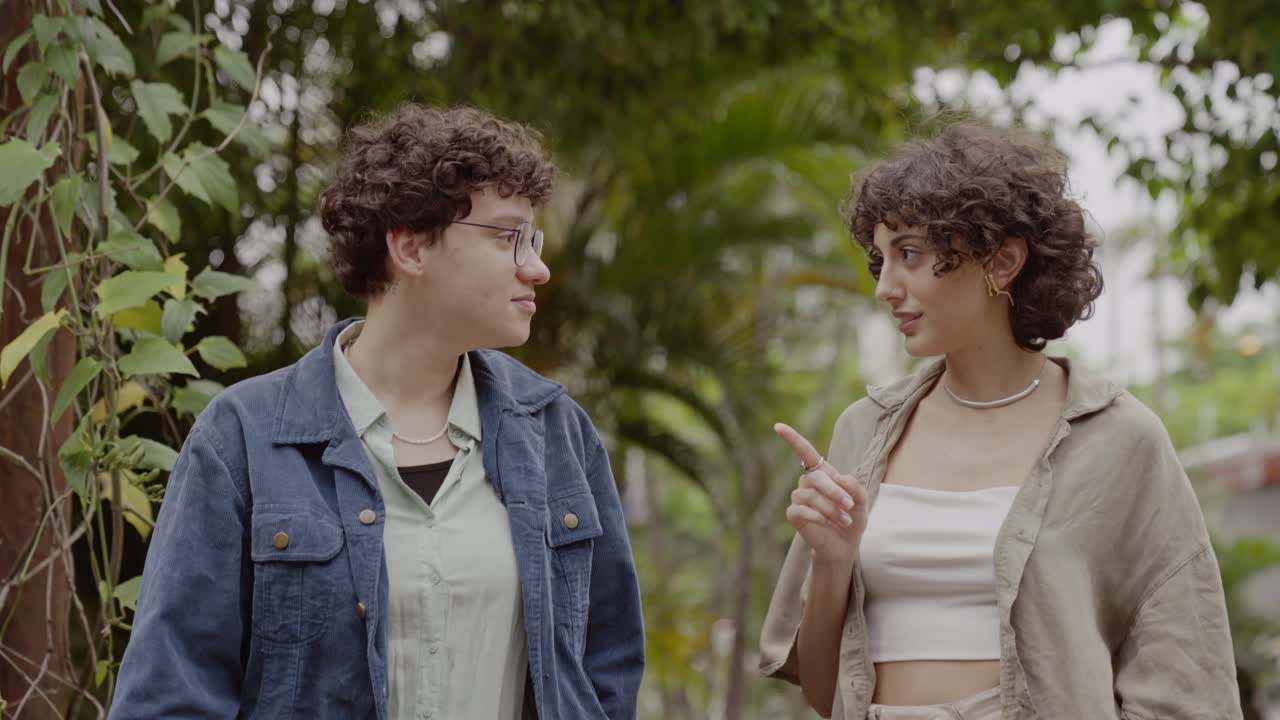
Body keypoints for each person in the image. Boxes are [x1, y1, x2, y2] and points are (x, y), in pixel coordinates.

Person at [112, 104, 645, 719]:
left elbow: (607, 673)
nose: (537, 266)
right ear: (411, 247)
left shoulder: (559, 436)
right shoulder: (245, 438)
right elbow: (171, 692)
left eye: (535, 239)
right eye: (508, 237)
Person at [759, 123, 1240, 719]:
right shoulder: (863, 430)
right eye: (881, 260)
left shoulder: (1120, 439)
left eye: (910, 254)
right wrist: (832, 560)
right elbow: (822, 693)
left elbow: (1185, 675)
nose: (885, 287)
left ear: (1004, 261)